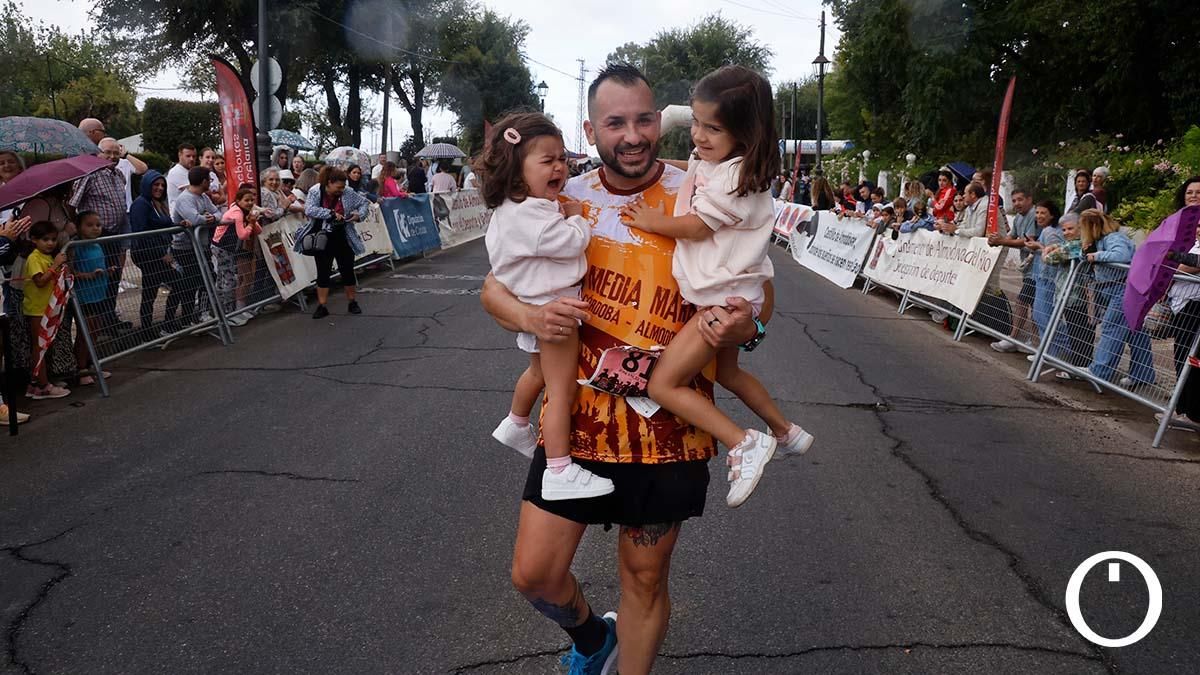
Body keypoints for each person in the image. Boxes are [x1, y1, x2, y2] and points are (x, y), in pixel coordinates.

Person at [482, 63, 774, 674]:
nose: (633, 135)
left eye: (644, 119)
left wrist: (751, 325)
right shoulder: (565, 198)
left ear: (660, 121)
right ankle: (593, 639)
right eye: (616, 123)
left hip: (670, 430)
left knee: (644, 578)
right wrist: (532, 320)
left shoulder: (704, 188)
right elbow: (494, 287)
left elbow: (758, 288)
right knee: (534, 574)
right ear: (592, 130)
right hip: (579, 424)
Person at [482, 112, 616, 503]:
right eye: (548, 161)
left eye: (562, 159)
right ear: (517, 170)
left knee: (537, 371)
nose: (560, 167)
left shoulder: (515, 208)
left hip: (535, 303)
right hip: (554, 311)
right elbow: (570, 244)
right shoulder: (536, 216)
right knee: (561, 391)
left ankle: (515, 422)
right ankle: (559, 468)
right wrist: (577, 220)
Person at [1081, 209, 1155, 386]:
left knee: (1111, 328)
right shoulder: (1101, 240)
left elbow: (1122, 256)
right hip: (1115, 288)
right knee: (1134, 333)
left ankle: (1100, 371)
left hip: (1122, 289)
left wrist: (1096, 256)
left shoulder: (1114, 238)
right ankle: (1143, 374)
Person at [69, 139, 131, 333]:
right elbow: (73, 204)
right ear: (97, 153)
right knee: (98, 280)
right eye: (107, 153)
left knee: (112, 279)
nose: (112, 157)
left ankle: (109, 318)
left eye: (115, 153)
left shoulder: (119, 174)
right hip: (96, 237)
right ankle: (98, 325)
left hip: (114, 234)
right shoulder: (89, 174)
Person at [297, 167, 369, 318]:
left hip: (343, 235)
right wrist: (330, 213)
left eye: (343, 187)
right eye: (339, 187)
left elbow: (364, 203)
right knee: (323, 271)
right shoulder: (316, 191)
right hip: (322, 236)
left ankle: (352, 302)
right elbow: (309, 209)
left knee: (347, 269)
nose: (341, 190)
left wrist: (359, 215)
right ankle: (322, 305)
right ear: (329, 183)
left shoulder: (348, 192)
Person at [129, 170, 181, 336]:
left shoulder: (157, 203)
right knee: (155, 291)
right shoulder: (141, 204)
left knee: (152, 291)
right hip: (147, 255)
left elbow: (164, 224)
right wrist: (160, 253)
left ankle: (160, 326)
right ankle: (152, 330)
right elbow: (141, 232)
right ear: (147, 185)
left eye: (162, 185)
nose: (159, 188)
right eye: (156, 185)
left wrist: (180, 225)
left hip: (158, 253)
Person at [988, 188, 1040, 352]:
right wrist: (998, 239)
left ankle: (1014, 338)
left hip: (1037, 269)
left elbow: (1026, 241)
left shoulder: (1033, 215)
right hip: (1028, 269)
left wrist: (1002, 241)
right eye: (1014, 200)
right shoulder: (1018, 218)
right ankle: (1033, 341)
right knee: (1032, 304)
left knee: (1023, 302)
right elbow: (1012, 236)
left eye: (1020, 199)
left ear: (1029, 199)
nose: (1017, 203)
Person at [23, 221, 70, 400]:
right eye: (45, 239)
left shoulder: (50, 256)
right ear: (34, 240)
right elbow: (40, 281)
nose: (50, 243)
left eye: (53, 239)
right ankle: (42, 385)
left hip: (49, 306)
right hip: (36, 309)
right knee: (39, 346)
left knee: (45, 345)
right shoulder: (34, 258)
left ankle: (38, 382)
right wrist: (55, 266)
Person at [171, 167, 223, 325]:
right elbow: (194, 219)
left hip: (201, 245)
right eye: (209, 179)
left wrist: (210, 217)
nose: (211, 182)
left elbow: (219, 214)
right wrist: (207, 218)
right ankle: (186, 319)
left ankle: (203, 312)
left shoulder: (204, 197)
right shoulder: (185, 198)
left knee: (208, 277)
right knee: (191, 283)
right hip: (185, 248)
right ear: (203, 181)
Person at [69, 211, 110, 386]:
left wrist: (109, 270)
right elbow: (70, 272)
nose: (95, 228)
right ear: (78, 227)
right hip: (84, 296)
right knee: (85, 332)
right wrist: (86, 275)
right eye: (90, 225)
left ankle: (90, 363)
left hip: (99, 294)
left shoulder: (98, 245)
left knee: (95, 331)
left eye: (98, 225)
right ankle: (81, 368)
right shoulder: (74, 247)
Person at [210, 188, 261, 327]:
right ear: (238, 201)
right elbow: (243, 235)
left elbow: (259, 230)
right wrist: (250, 223)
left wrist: (253, 221)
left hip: (229, 248)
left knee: (224, 278)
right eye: (246, 200)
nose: (250, 203)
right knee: (229, 279)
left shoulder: (246, 212)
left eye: (252, 200)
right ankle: (228, 313)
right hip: (221, 248)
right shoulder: (237, 212)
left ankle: (222, 311)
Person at [166, 144, 197, 210]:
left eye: (194, 156)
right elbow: (197, 191)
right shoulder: (176, 171)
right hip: (180, 216)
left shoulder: (189, 171)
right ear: (180, 155)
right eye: (188, 156)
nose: (192, 159)